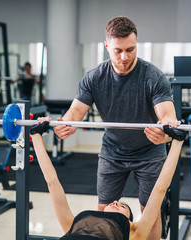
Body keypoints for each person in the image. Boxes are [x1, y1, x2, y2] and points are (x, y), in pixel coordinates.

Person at [53, 16, 177, 239]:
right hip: (112, 152)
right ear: (107, 45)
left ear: (137, 43)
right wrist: (66, 125)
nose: (124, 57)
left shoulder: (154, 77)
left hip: (149, 152)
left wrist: (165, 133)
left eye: (131, 49)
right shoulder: (94, 78)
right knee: (103, 214)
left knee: (151, 213)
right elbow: (74, 114)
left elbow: (168, 118)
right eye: (118, 50)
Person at [30, 117, 186, 240]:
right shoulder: (132, 231)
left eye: (122, 207)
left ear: (131, 223)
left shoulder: (134, 232)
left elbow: (160, 190)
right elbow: (52, 182)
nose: (116, 202)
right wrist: (36, 135)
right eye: (121, 205)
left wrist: (35, 134)